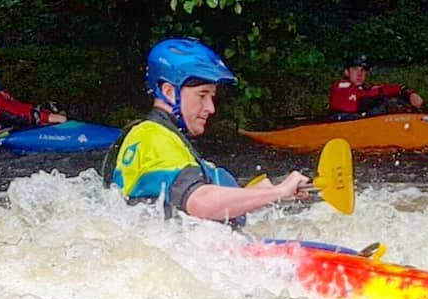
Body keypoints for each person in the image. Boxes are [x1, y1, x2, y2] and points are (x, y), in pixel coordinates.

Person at [103, 37, 311, 223]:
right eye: (202, 96)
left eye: (211, 97)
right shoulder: (155, 139)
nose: (211, 108)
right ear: (169, 92)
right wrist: (279, 192)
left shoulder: (154, 135)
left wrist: (259, 195)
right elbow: (199, 203)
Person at [328, 55, 424, 120]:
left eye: (363, 70)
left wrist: (408, 93)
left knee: (398, 103)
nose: (359, 74)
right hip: (342, 124)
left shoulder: (366, 89)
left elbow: (387, 89)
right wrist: (386, 100)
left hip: (360, 124)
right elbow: (359, 101)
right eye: (355, 69)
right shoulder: (341, 86)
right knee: (385, 105)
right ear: (346, 72)